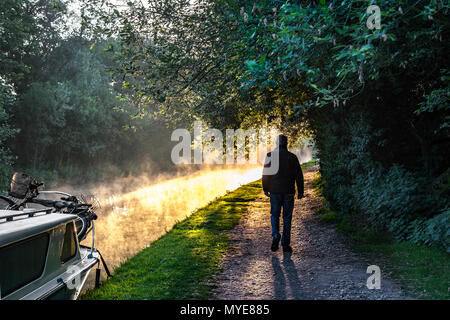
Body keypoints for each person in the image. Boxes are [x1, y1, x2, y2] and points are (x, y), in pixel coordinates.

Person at [262, 134, 304, 253]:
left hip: (275, 191)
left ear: (277, 143)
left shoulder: (270, 156)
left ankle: (275, 234)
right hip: (288, 191)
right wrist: (300, 191)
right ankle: (285, 245)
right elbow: (298, 176)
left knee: (275, 215)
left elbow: (266, 174)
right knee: (287, 217)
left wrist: (265, 188)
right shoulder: (292, 157)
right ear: (286, 143)